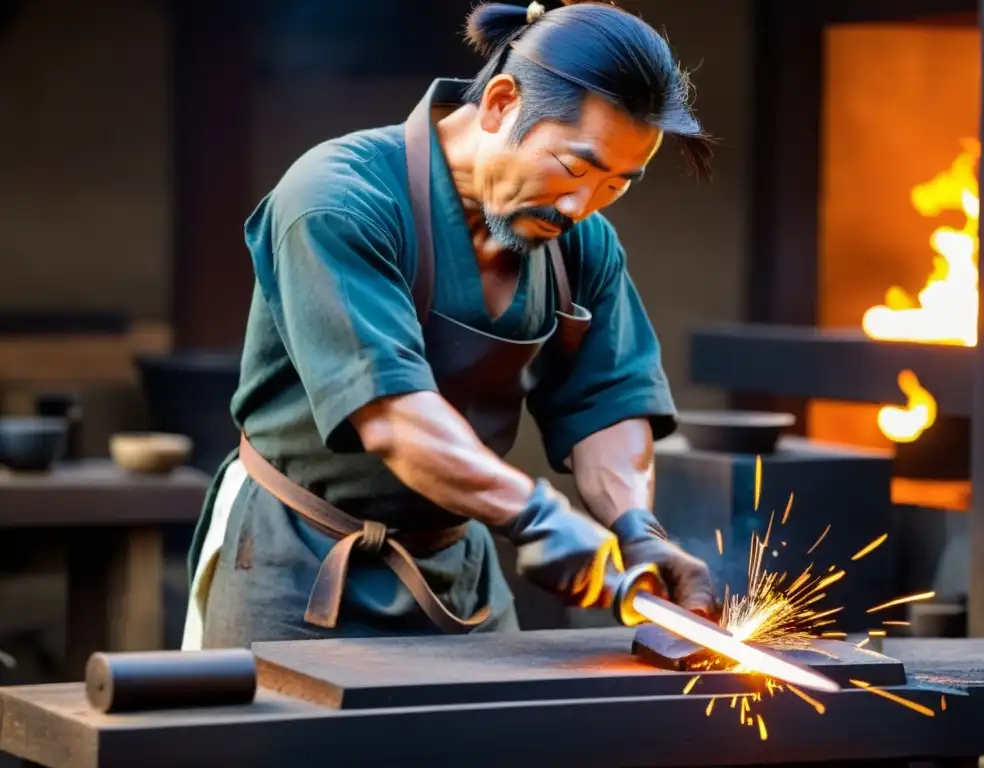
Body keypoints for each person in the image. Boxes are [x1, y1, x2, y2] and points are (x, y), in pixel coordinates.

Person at [182, 0, 717, 649]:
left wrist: (637, 531)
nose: (582, 206)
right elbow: (393, 417)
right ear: (498, 103)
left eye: (616, 185)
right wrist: (539, 517)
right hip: (292, 558)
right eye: (574, 168)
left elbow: (606, 402)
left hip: (456, 569)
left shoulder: (580, 243)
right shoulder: (337, 200)